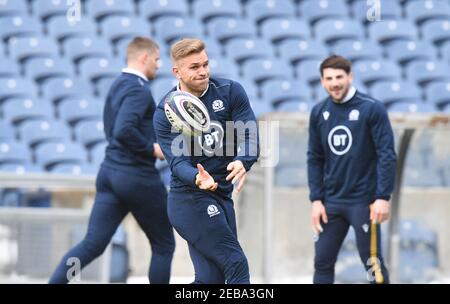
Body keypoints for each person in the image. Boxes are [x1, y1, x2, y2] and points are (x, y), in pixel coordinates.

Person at [49, 37, 175, 284]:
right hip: (136, 176)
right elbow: (122, 130)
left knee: (92, 244)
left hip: (110, 173)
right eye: (157, 60)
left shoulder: (118, 84)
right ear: (144, 58)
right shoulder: (138, 90)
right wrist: (152, 149)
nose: (159, 66)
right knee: (163, 244)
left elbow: (113, 130)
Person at [153, 38, 259, 284]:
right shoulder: (165, 112)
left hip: (223, 195)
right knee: (236, 265)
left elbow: (250, 135)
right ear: (176, 72)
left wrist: (244, 160)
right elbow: (177, 164)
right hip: (190, 200)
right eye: (194, 67)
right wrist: (196, 178)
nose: (203, 71)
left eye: (205, 64)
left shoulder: (230, 91)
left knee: (210, 280)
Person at [307, 55, 396, 284]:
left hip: (364, 202)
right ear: (322, 81)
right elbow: (314, 158)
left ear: (350, 77)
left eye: (339, 77)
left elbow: (387, 155)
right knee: (322, 261)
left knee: (372, 261)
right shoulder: (319, 112)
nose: (334, 83)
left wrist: (382, 197)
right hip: (331, 202)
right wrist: (316, 199)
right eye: (329, 78)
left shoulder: (371, 108)